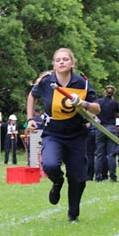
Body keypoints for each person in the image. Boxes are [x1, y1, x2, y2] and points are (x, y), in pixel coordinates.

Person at [26, 47, 100, 222]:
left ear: (72, 63)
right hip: (53, 133)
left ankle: (73, 214)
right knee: (50, 165)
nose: (61, 62)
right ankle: (57, 182)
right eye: (58, 59)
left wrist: (84, 104)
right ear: (54, 64)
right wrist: (29, 119)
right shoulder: (46, 82)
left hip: (77, 134)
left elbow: (97, 108)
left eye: (65, 59)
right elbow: (31, 96)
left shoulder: (82, 83)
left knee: (78, 177)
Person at [95, 85, 119, 182]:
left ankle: (98, 176)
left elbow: (96, 112)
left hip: (101, 127)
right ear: (113, 93)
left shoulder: (99, 101)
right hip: (111, 127)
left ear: (105, 91)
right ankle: (113, 176)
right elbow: (117, 113)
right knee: (111, 154)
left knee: (99, 154)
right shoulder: (114, 102)